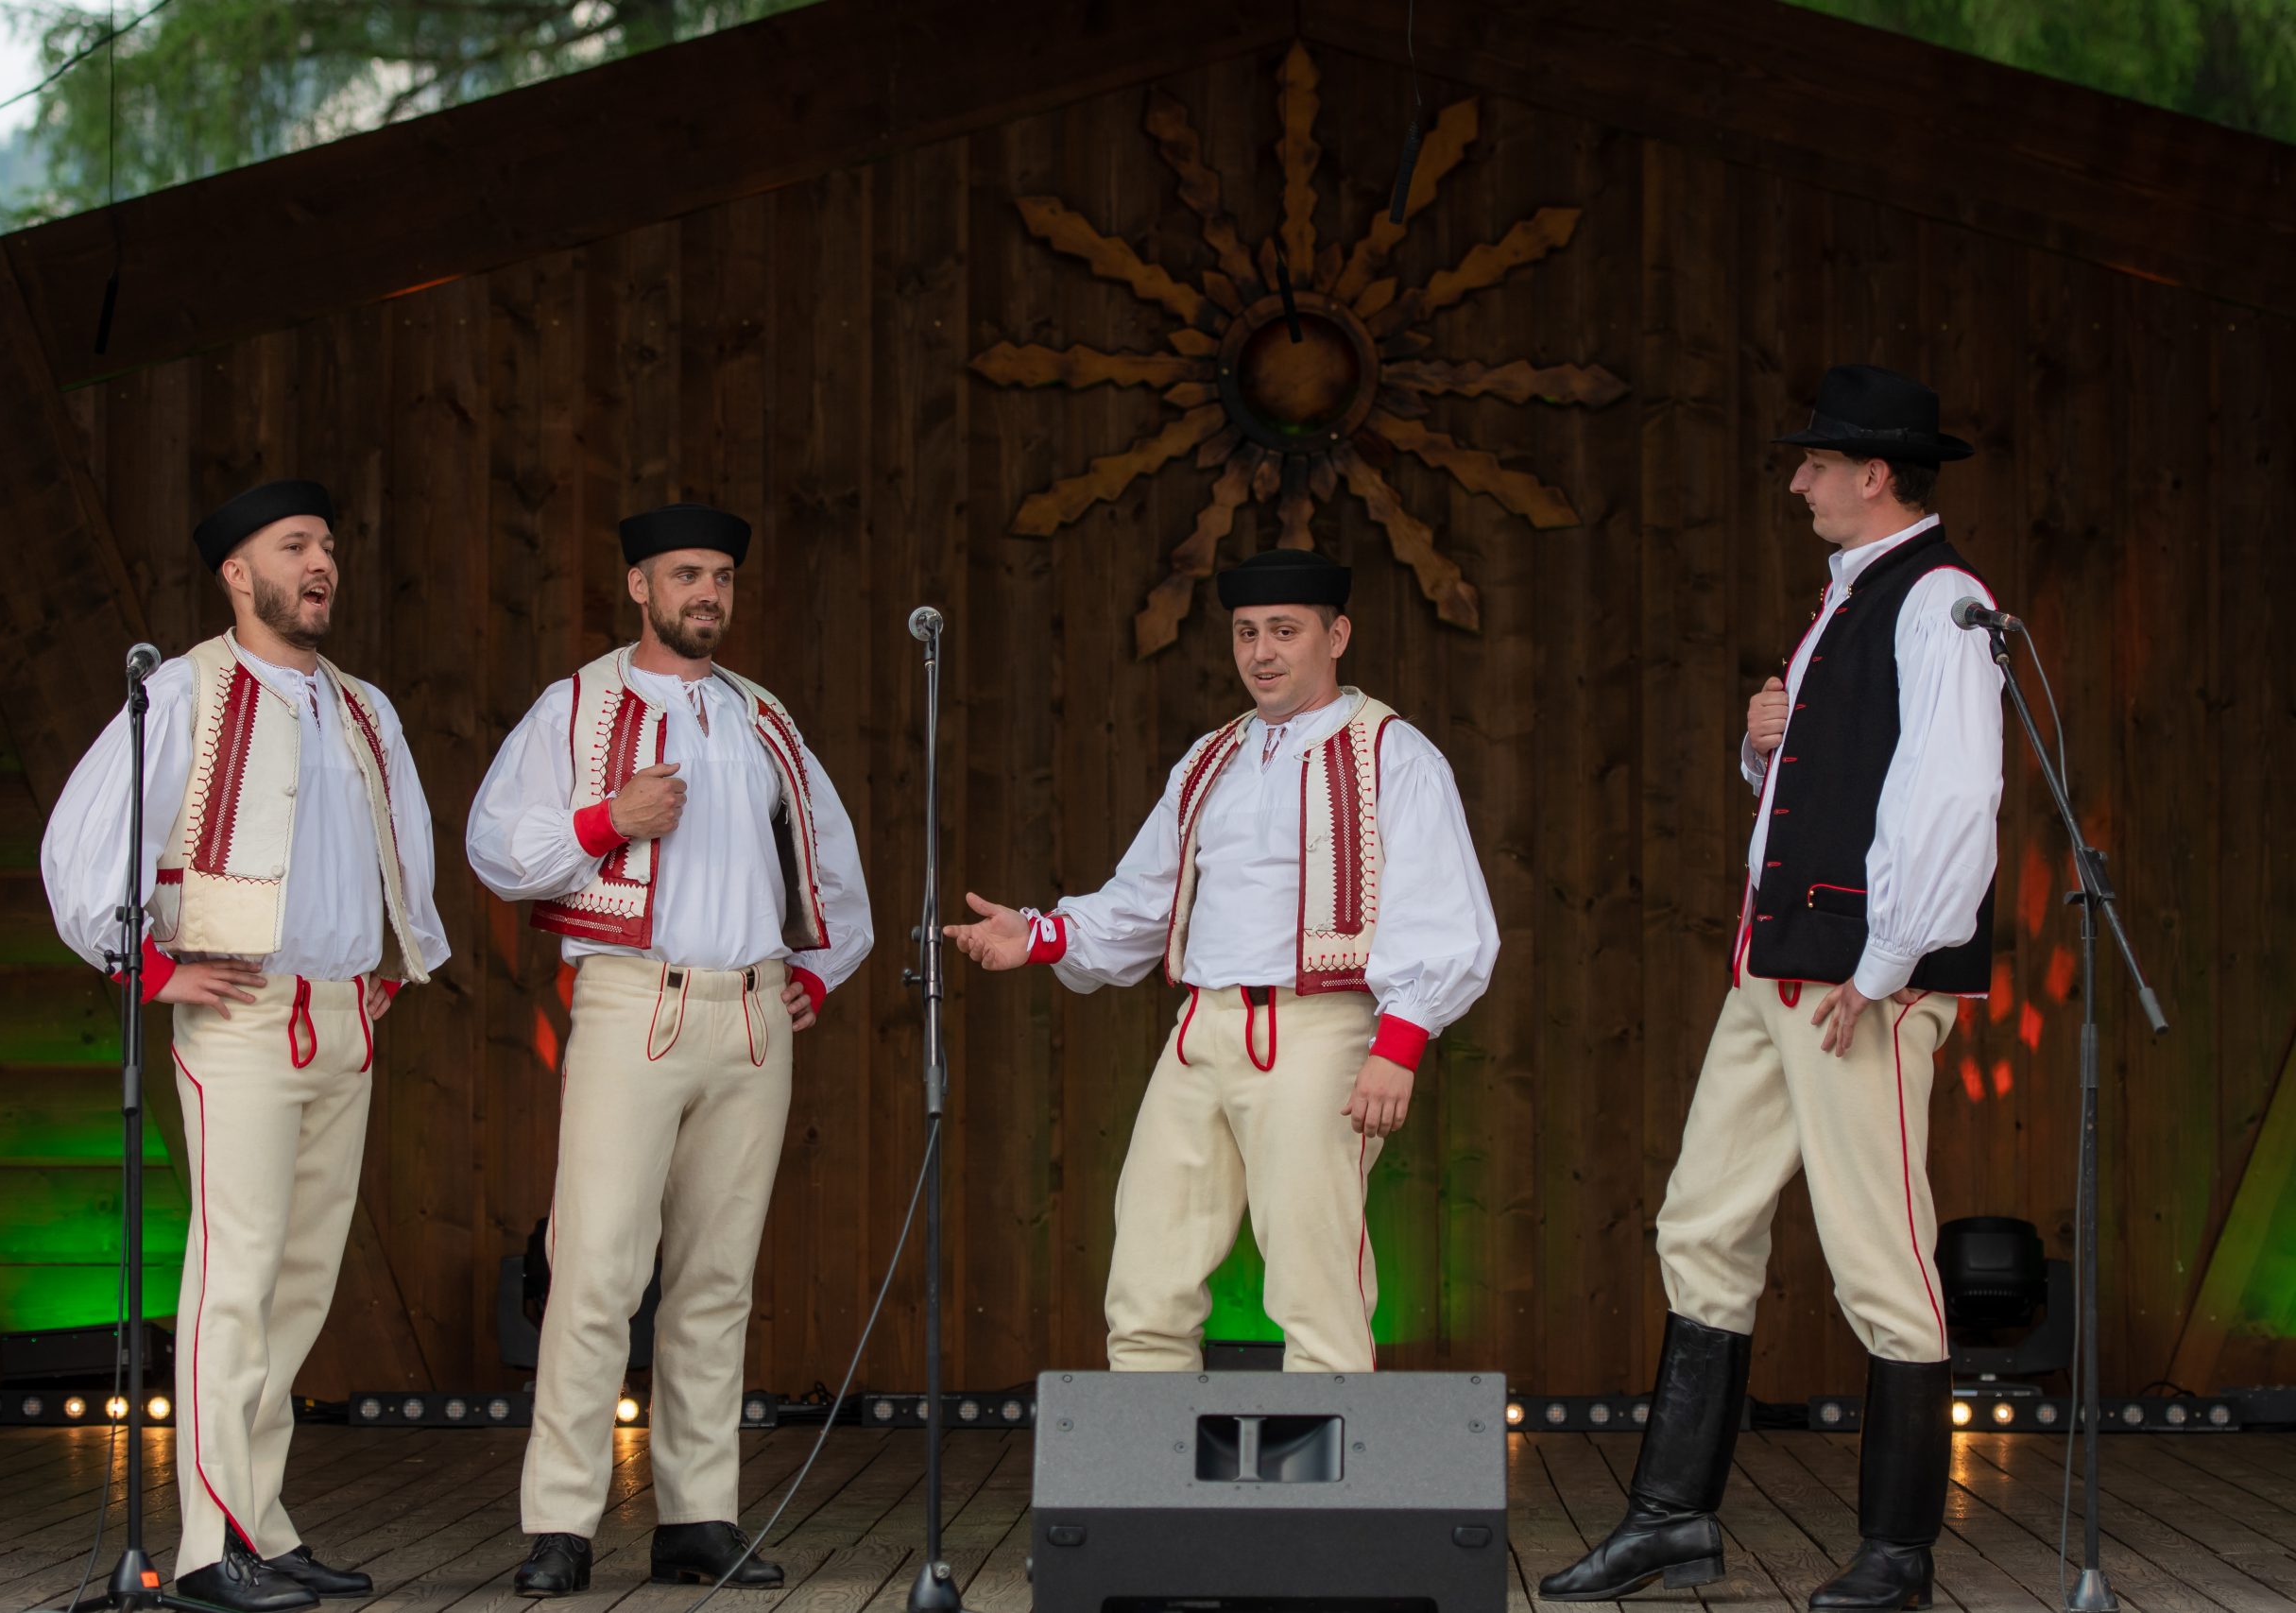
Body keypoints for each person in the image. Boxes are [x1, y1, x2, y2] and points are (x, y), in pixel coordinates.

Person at [1542, 365, 2000, 1610]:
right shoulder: (1847, 598)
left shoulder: (1939, 599)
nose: (1797, 481)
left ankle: (1898, 1554)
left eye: (1815, 462)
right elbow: (1833, 786)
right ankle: (1671, 1517)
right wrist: (1763, 750)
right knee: (1702, 1221)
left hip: (1856, 979)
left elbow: (1954, 794)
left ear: (1874, 474)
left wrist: (1885, 964)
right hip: (1778, 969)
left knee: (1879, 1251)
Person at [42, 479, 451, 1611]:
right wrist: (150, 969)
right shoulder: (183, 692)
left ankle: (260, 1525)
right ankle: (209, 1547)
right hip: (241, 1016)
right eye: (294, 546)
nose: (321, 564)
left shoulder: (363, 707)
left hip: (340, 1015)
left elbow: (400, 838)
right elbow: (83, 848)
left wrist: (395, 957)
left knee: (300, 1287)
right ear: (237, 573)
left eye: (328, 546)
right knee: (235, 1281)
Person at [947, 546, 1496, 1373]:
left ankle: (1323, 1461)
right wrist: (1042, 934)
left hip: (1319, 1029)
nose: (1262, 652)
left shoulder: (1394, 753)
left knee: (1315, 1283)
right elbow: (1145, 898)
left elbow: (1445, 916)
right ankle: (1153, 1457)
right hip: (1202, 1026)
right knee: (1147, 1278)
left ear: (1337, 636)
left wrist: (1399, 1042)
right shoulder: (1211, 758)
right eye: (1246, 633)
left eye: (1284, 630)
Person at [468, 503, 873, 1598]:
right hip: (632, 1004)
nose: (707, 593)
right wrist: (608, 820)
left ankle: (698, 1517)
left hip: (750, 1012)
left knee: (716, 1279)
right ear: (639, 586)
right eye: (686, 574)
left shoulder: (763, 716)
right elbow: (497, 847)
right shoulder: (575, 705)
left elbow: (830, 860)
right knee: (595, 1270)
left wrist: (814, 976)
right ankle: (561, 1522)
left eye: (721, 577)